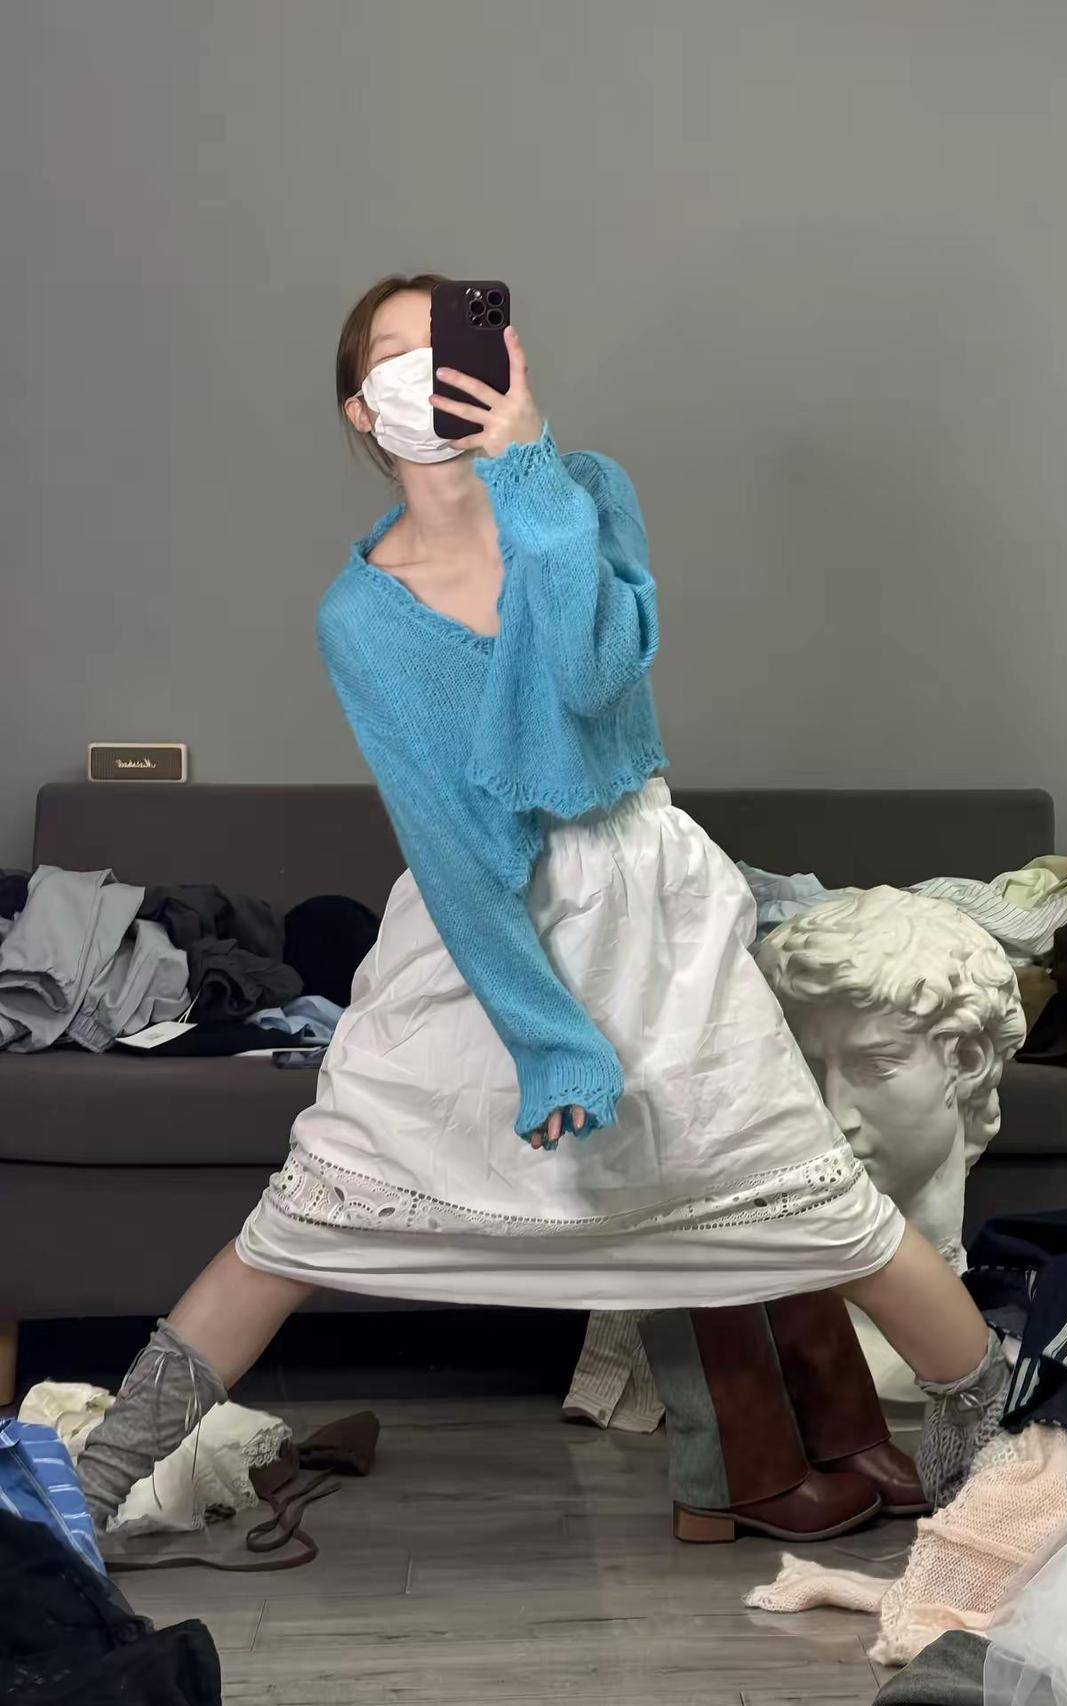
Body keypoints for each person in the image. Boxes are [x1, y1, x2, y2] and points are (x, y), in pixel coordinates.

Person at [75, 272, 1010, 1540]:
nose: (427, 369)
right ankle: (88, 1489)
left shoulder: (582, 494)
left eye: (448, 342)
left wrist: (529, 477)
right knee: (296, 1223)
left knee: (827, 1212)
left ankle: (989, 1455)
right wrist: (545, 1032)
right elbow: (454, 842)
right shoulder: (361, 614)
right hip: (483, 936)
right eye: (395, 352)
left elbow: (588, 678)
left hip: (652, 910)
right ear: (360, 405)